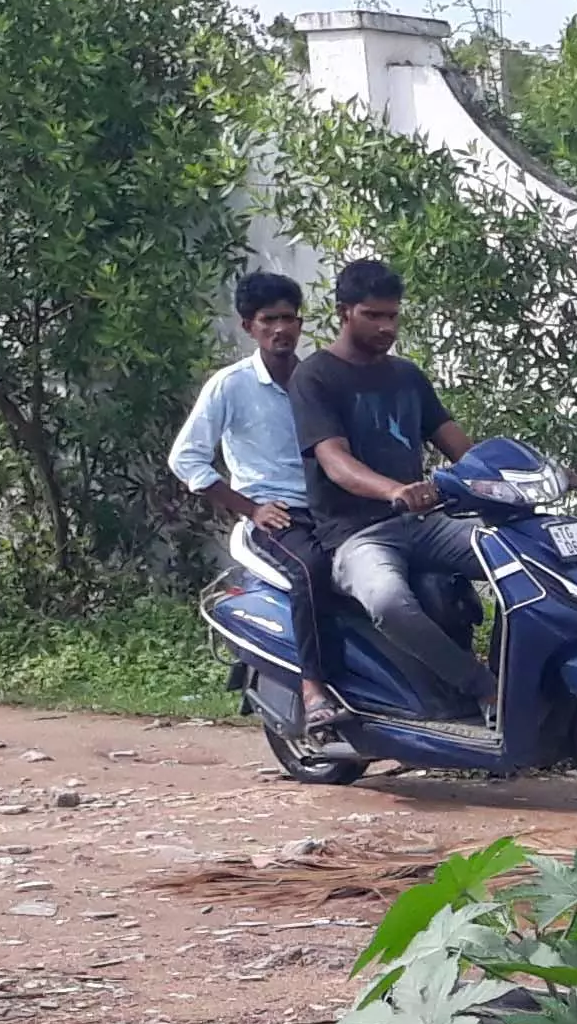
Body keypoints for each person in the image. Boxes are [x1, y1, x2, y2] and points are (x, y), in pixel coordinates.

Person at [291, 257, 484, 708]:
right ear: (344, 312)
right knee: (389, 602)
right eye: (372, 315)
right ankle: (479, 686)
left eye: (392, 316)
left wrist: (521, 476)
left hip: (423, 523)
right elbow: (335, 461)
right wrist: (393, 489)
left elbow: (460, 446)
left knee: (522, 556)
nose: (385, 327)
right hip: (356, 534)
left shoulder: (407, 375)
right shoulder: (315, 376)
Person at [168, 271, 344, 729]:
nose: (280, 329)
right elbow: (186, 459)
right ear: (249, 326)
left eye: (288, 318)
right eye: (269, 320)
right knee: (312, 571)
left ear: (301, 323)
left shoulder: (319, 379)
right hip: (275, 517)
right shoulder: (231, 385)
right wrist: (250, 508)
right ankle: (314, 689)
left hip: (332, 510)